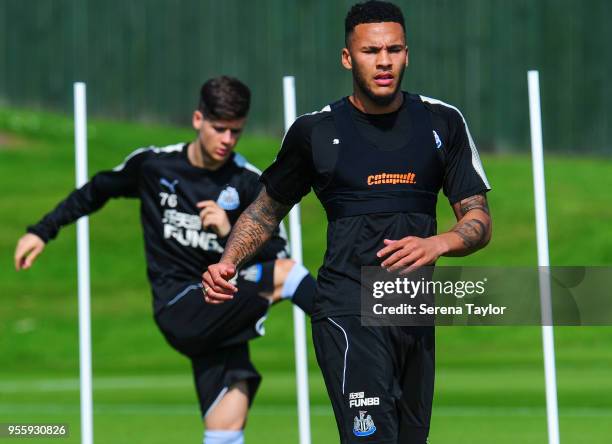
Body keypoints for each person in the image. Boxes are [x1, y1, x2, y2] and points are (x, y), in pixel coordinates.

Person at [203, 2, 492, 443]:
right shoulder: (314, 131)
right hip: (346, 311)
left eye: (393, 49)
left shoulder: (441, 122)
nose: (383, 61)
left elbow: (478, 219)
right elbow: (265, 211)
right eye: (370, 51)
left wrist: (442, 243)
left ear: (407, 54)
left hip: (412, 313)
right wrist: (229, 261)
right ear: (347, 57)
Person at [14, 76, 315, 444]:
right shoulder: (155, 166)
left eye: (235, 131)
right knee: (290, 275)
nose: (227, 140)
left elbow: (277, 251)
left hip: (220, 310)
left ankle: (359, 328)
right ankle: (357, 327)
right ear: (197, 119)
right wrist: (42, 231)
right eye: (219, 129)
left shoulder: (247, 181)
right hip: (179, 304)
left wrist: (228, 230)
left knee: (228, 421)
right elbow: (96, 191)